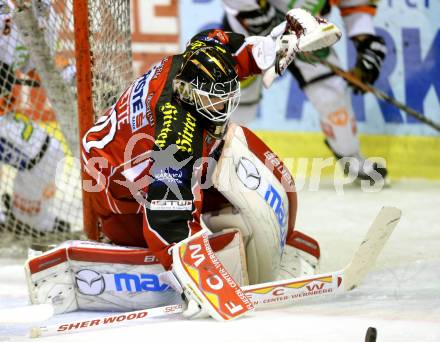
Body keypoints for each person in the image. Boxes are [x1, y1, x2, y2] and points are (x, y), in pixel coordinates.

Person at [25, 9, 338, 315]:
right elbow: (166, 221)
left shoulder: (196, 61)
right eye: (213, 100)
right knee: (183, 214)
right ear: (189, 93)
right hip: (115, 187)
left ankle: (273, 247)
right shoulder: (178, 136)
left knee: (249, 155)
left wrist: (281, 40)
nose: (221, 107)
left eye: (226, 97)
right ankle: (131, 251)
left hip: (131, 147)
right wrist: (196, 278)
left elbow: (228, 47)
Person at [222, 0, 388, 183]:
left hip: (306, 34)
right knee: (239, 98)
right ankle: (220, 157)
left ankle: (350, 156)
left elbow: (355, 5)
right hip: (249, 31)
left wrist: (366, 42)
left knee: (333, 93)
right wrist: (252, 11)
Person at [0, 0, 73, 235]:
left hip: (3, 115)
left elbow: (43, 64)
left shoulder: (45, 10)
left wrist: (77, 78)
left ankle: (24, 217)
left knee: (50, 153)